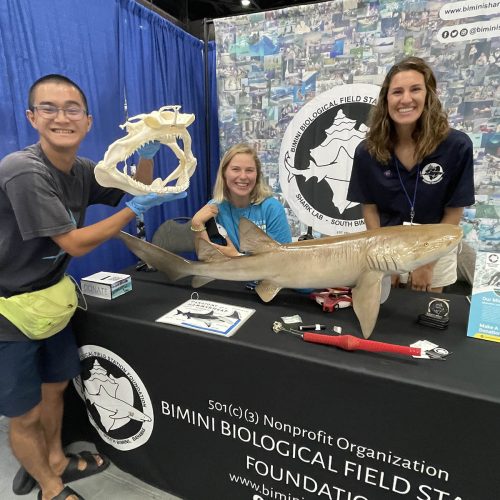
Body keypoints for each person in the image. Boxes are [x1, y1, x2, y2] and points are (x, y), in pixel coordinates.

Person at [0, 74, 186, 500]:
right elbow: (75, 243)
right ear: (31, 117)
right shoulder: (22, 170)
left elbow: (127, 189)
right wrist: (138, 208)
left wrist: (147, 153)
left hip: (51, 298)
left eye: (72, 110)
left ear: (87, 121)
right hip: (8, 311)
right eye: (49, 108)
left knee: (55, 390)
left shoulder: (82, 170)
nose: (61, 117)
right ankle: (50, 486)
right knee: (24, 413)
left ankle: (58, 460)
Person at [347, 57, 475, 292]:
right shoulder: (367, 151)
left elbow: (454, 212)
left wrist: (427, 263)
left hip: (436, 247)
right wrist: (386, 262)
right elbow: (370, 208)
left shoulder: (456, 146)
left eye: (415, 89)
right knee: (387, 316)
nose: (406, 99)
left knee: (426, 319)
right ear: (386, 100)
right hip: (386, 248)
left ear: (428, 96)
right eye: (397, 92)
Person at [190, 143, 291, 257]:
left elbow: (283, 260)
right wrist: (197, 224)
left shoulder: (272, 208)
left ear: (257, 175)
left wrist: (236, 256)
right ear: (224, 173)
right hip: (225, 274)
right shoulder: (213, 209)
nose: (243, 176)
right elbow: (209, 260)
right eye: (236, 169)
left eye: (249, 170)